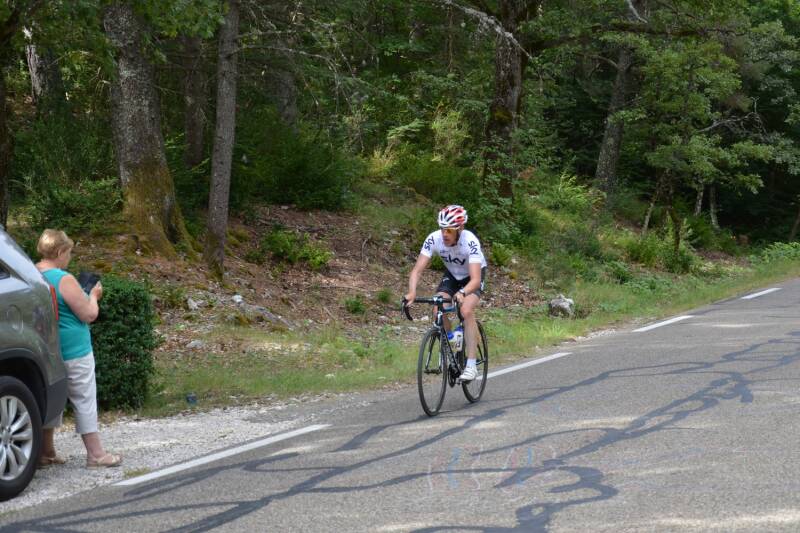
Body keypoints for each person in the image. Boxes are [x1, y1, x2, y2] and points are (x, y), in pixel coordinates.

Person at [35, 229, 122, 468]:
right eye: (69, 252)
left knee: (51, 398)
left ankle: (45, 452)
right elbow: (88, 314)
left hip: (46, 348)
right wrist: (93, 295)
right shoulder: (64, 279)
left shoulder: (32, 273)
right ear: (60, 252)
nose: (70, 258)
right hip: (74, 350)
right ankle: (96, 455)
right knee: (84, 398)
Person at [404, 205, 487, 381]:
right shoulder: (433, 239)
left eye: (449, 230)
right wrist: (411, 292)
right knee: (437, 310)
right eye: (442, 229)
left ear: (460, 228)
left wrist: (463, 292)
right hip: (453, 275)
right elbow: (417, 270)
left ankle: (471, 365)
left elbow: (475, 280)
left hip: (473, 276)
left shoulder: (470, 241)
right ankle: (453, 340)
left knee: (465, 310)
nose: (444, 234)